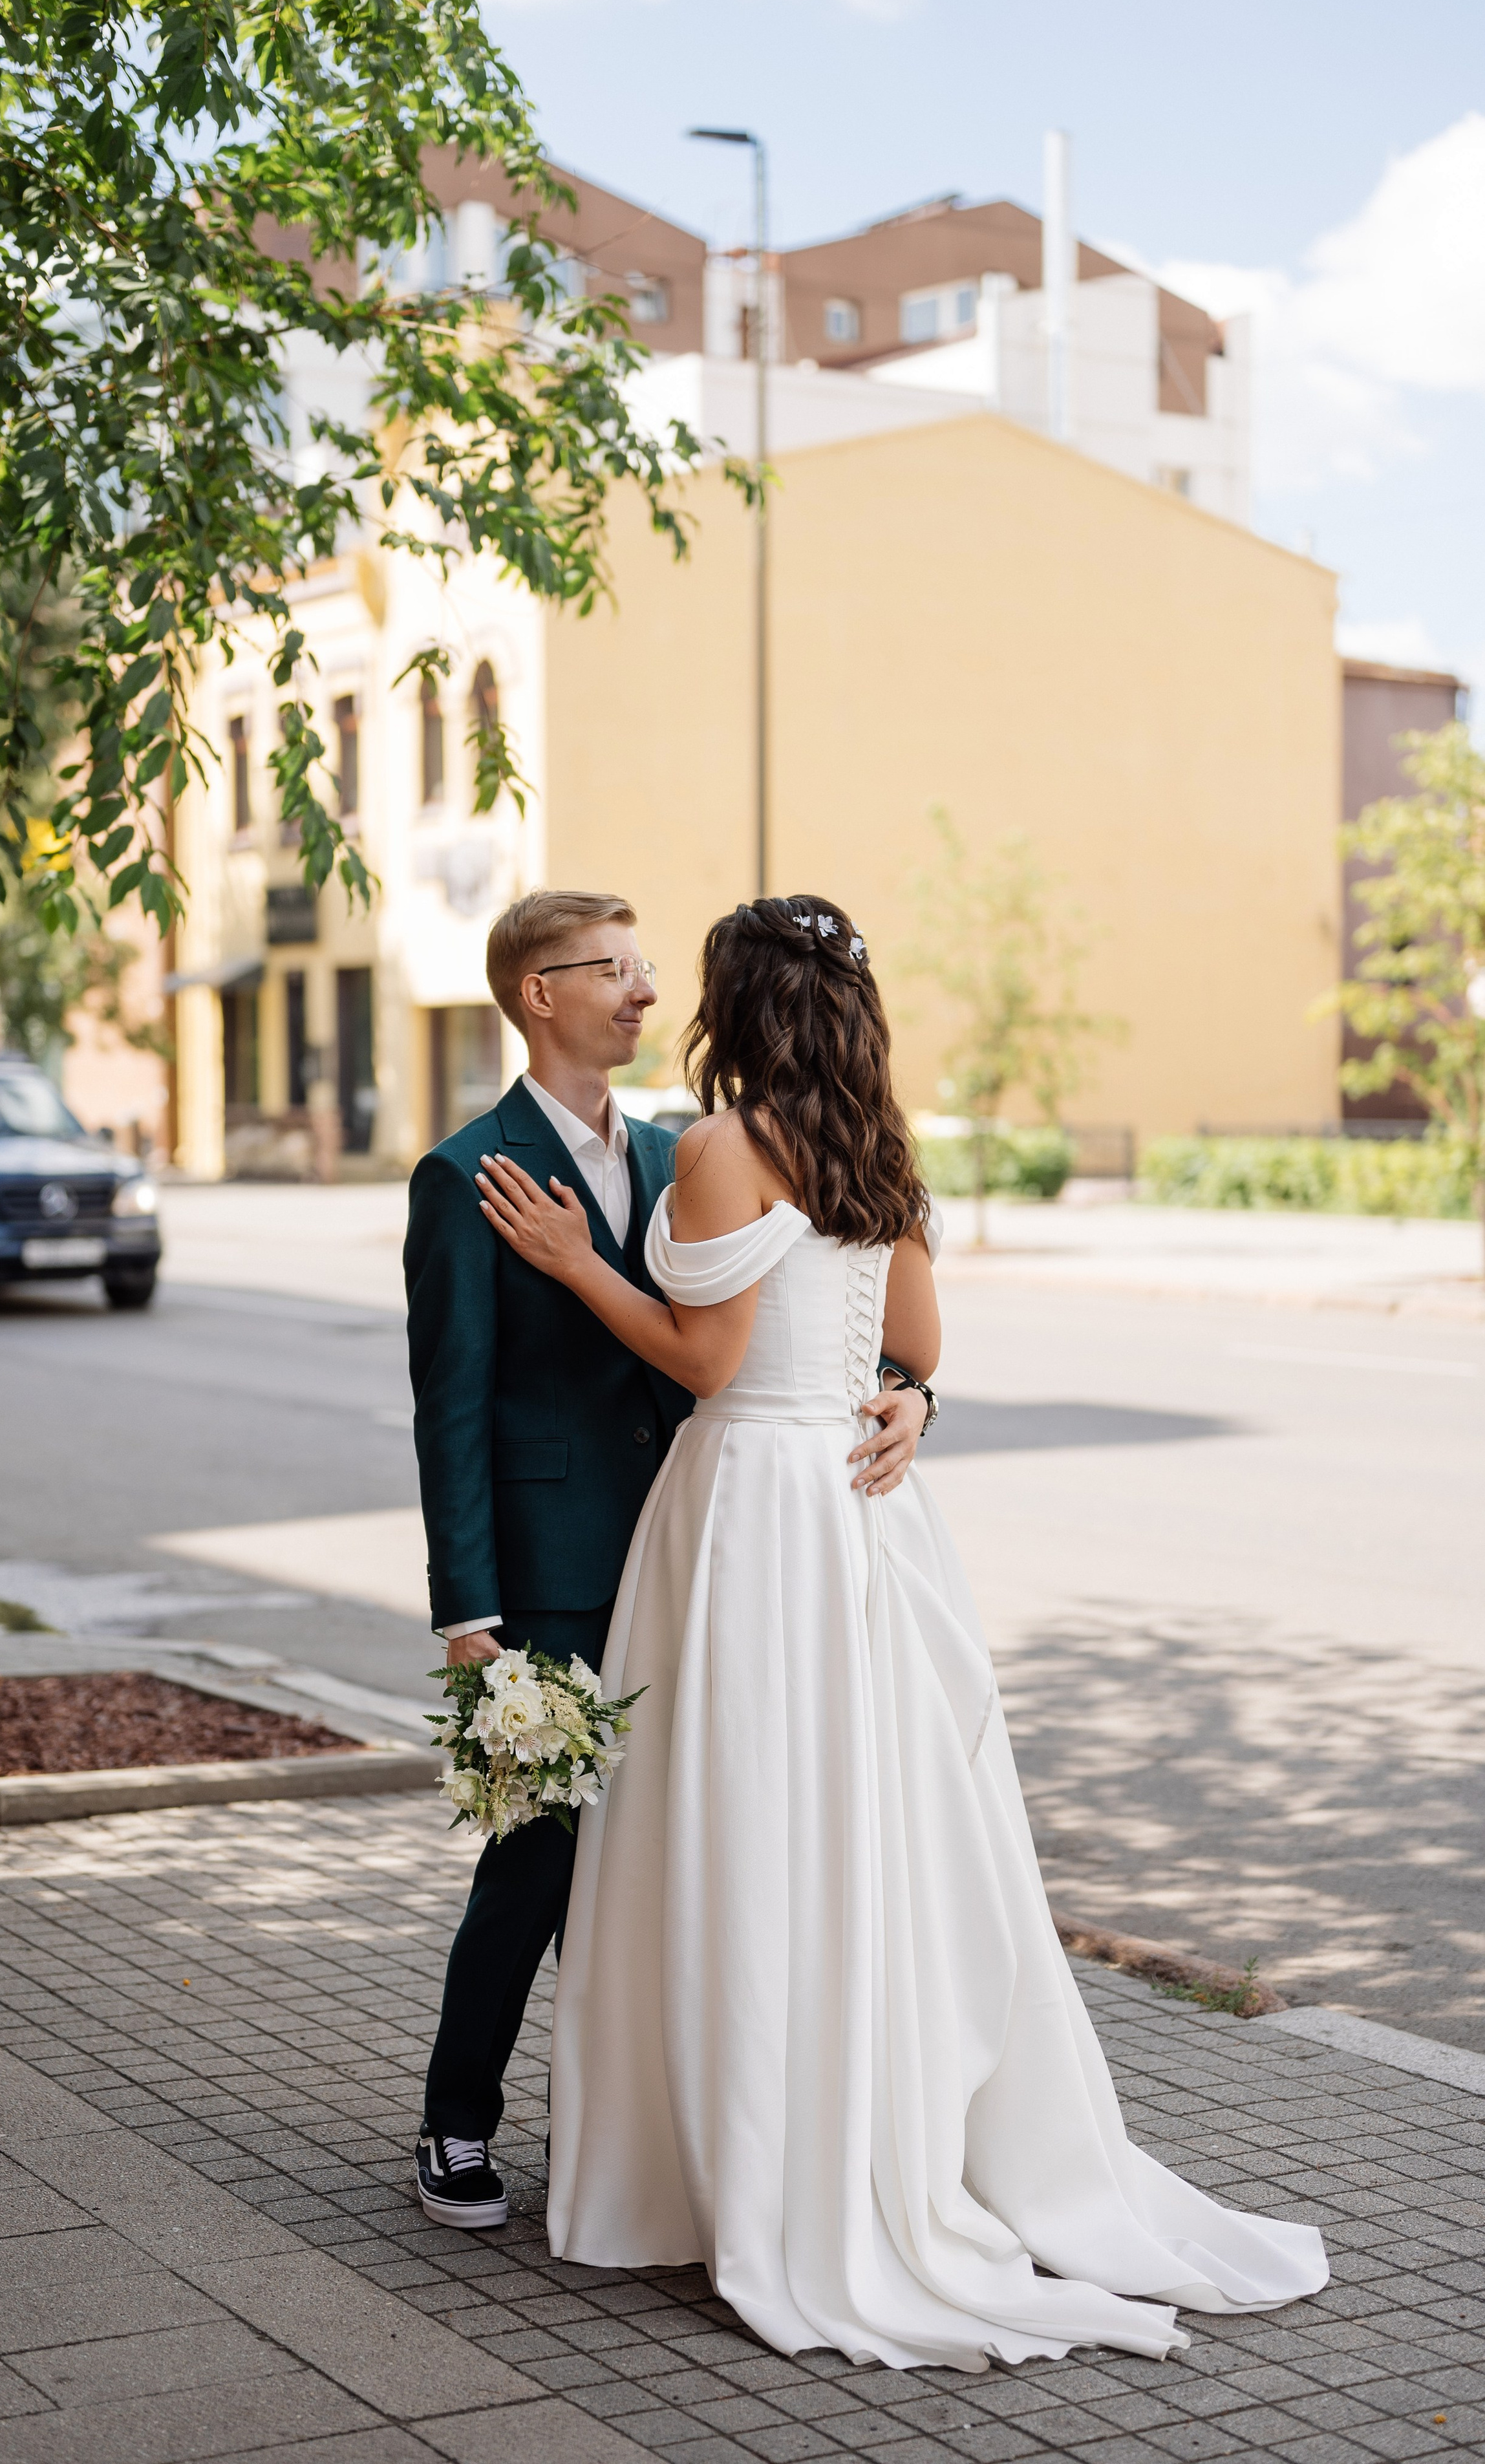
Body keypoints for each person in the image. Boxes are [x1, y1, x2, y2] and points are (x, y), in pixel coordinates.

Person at [472, 894, 1329, 2372]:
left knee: (731, 1820)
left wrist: (574, 1263)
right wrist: (906, 1403)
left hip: (746, 1508)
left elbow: (702, 1354)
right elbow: (916, 1347)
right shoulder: (873, 1150)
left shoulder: (723, 1146)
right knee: (851, 1823)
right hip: (854, 1517)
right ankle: (857, 2129)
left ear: (736, 1007)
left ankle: (729, 2163)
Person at [405, 887, 930, 2231]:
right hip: (556, 1568)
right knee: (536, 1850)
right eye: (615, 971)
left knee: (662, 1860)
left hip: (708, 1554)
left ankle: (633, 2128)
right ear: (539, 994)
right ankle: (459, 2115)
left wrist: (909, 1393)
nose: (647, 994)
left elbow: (815, 1318)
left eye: (651, 970)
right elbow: (451, 1406)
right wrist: (468, 1613)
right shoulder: (464, 1169)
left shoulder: (683, 1145)